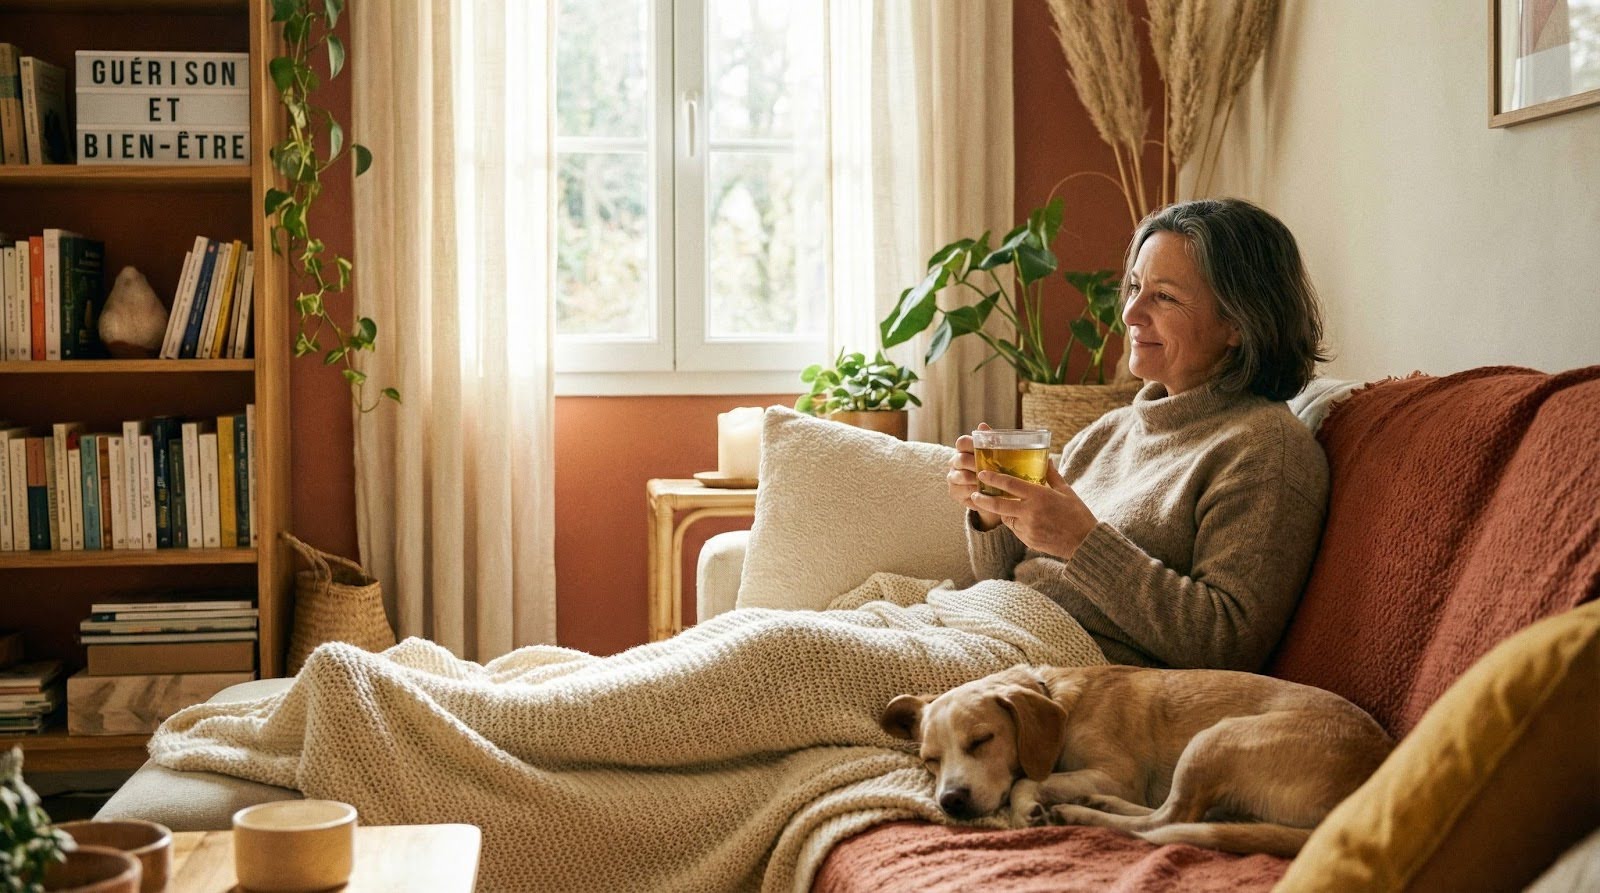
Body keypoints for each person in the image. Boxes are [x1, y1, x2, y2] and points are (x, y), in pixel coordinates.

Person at [947, 197, 1331, 672]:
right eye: (1133, 287)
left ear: (1237, 322)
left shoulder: (1266, 452)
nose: (1130, 313)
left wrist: (1081, 542)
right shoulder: (1108, 432)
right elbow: (1005, 577)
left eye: (1164, 296)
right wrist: (991, 512)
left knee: (825, 657)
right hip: (988, 626)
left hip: (1053, 671)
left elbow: (1226, 642)